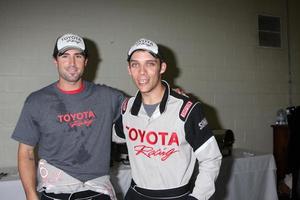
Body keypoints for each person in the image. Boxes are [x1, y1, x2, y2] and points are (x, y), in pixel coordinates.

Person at [11, 33, 124, 200]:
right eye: (65, 56)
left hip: (99, 192)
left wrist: (172, 96)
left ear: (85, 61)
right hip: (56, 193)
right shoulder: (37, 101)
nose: (72, 63)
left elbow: (146, 105)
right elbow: (26, 153)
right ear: (55, 61)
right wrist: (31, 195)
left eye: (78, 56)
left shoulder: (108, 97)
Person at [113, 38, 222, 200]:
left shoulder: (187, 109)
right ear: (129, 69)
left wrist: (197, 198)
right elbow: (114, 135)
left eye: (150, 64)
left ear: (162, 67)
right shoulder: (127, 108)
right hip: (136, 194)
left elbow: (211, 159)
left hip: (175, 196)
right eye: (135, 65)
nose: (142, 72)